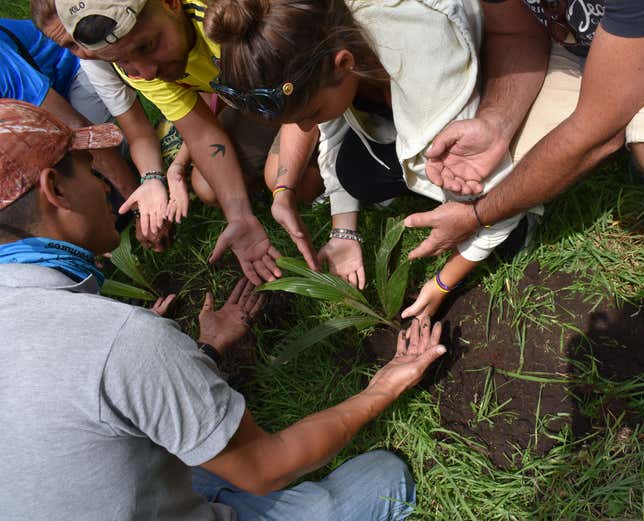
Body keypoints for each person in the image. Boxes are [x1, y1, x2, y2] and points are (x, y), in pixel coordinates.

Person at [0, 98, 446, 520]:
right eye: (87, 168)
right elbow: (266, 467)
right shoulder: (118, 340)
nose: (102, 185)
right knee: (385, 479)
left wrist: (203, 354)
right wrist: (382, 387)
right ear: (55, 188)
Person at [404, 0, 644, 311]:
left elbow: (595, 135)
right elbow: (515, 31)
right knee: (500, 174)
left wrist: (477, 216)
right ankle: (638, 97)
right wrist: (496, 122)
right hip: (595, 39)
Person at [204, 0, 543, 319]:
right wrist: (343, 233)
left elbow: (490, 190)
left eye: (310, 115)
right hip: (417, 112)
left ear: (344, 63)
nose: (306, 128)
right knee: (353, 172)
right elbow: (333, 128)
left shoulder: (424, 66)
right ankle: (428, 187)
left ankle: (518, 222)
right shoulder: (324, 33)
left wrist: (442, 283)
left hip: (478, 94)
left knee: (491, 216)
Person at [51, 0, 289, 284]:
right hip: (261, 95)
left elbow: (304, 84)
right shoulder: (136, 62)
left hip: (304, 78)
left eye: (147, 46)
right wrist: (239, 216)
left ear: (171, 3)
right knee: (209, 188)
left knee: (283, 178)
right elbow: (201, 132)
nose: (146, 72)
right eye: (122, 61)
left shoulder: (229, 17)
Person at [1, 15, 176, 251]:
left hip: (69, 73)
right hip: (25, 118)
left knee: (96, 179)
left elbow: (80, 132)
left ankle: (155, 156)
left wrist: (141, 209)